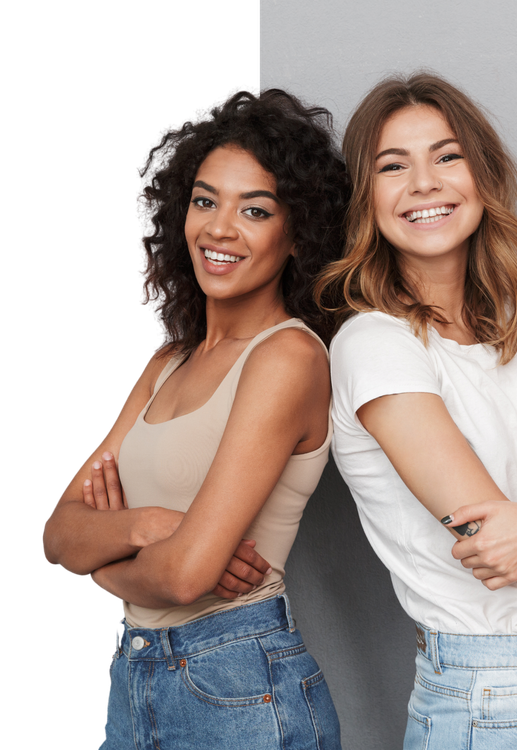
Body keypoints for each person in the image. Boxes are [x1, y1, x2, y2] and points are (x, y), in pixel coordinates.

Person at [316, 73, 517, 749]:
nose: (424, 184)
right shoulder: (374, 346)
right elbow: (495, 546)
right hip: (497, 687)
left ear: (481, 173)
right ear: (366, 197)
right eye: (392, 166)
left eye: (447, 155)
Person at [42, 88, 348, 749]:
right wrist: (151, 526)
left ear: (297, 234)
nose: (219, 228)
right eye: (206, 200)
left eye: (256, 210)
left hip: (238, 681)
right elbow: (58, 532)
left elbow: (184, 576)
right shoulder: (169, 359)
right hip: (136, 674)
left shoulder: (288, 358)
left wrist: (103, 563)